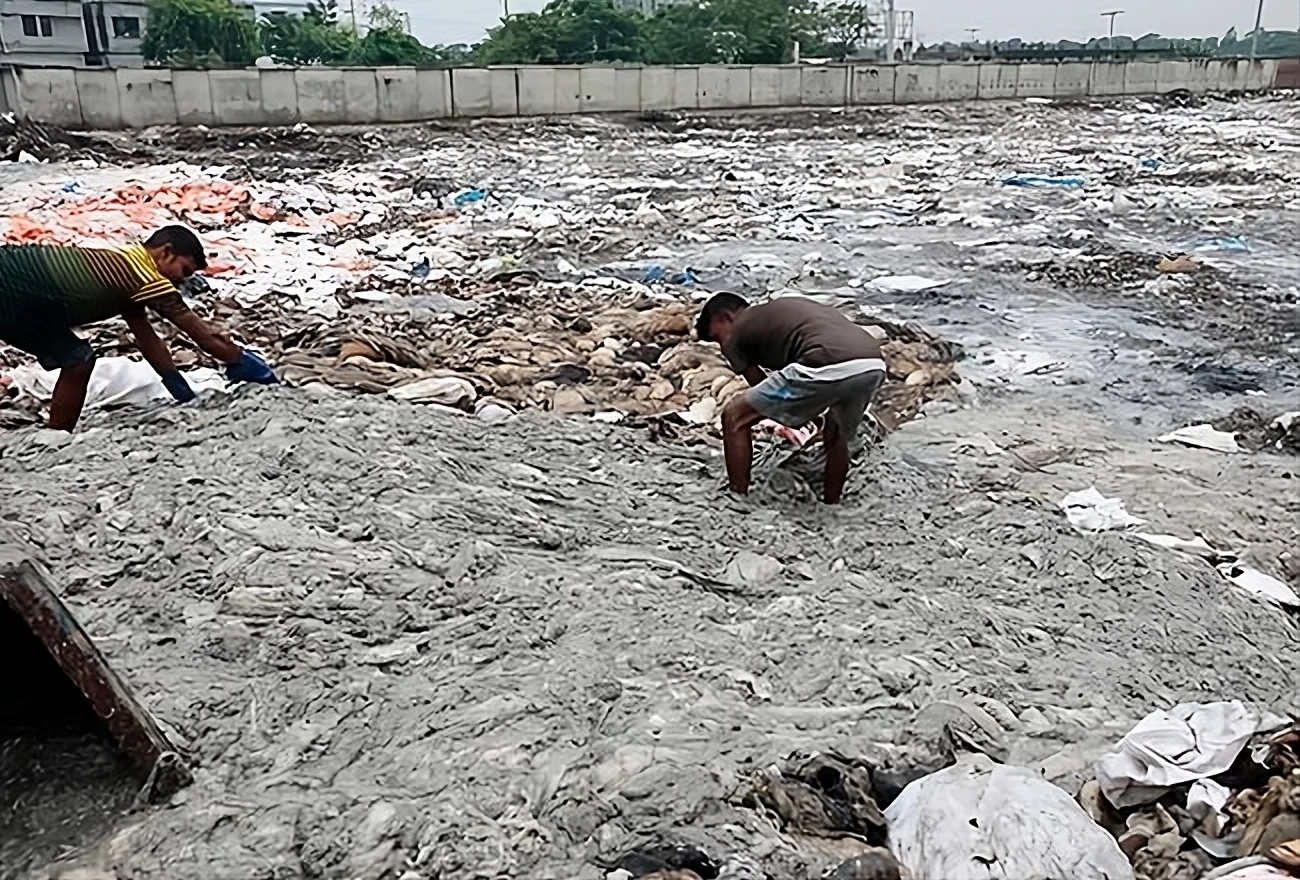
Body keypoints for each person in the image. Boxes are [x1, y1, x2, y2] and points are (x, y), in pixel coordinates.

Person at [0, 225, 277, 431]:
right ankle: (56, 437)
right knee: (78, 361)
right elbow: (203, 335)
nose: (181, 281)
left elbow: (146, 338)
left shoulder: (126, 262)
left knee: (77, 357)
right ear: (166, 253)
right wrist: (246, 363)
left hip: (13, 270)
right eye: (184, 270)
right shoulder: (147, 280)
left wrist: (177, 385)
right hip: (14, 287)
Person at [697, 293, 886, 504]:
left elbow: (759, 385)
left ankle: (736, 497)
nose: (722, 345)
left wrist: (795, 416)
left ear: (725, 318)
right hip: (872, 364)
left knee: (734, 417)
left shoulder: (737, 329)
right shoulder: (781, 310)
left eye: (716, 337)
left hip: (827, 362)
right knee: (837, 435)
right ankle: (832, 503)